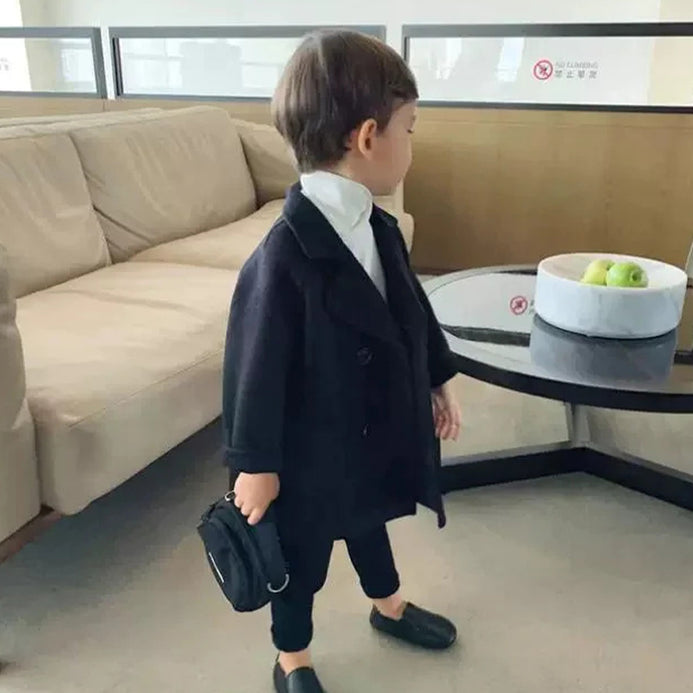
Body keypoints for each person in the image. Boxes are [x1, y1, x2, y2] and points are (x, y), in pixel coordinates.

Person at [222, 30, 462, 693]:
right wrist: (254, 465)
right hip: (308, 448)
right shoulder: (284, 254)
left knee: (369, 523)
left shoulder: (379, 226)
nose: (411, 145)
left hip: (367, 428)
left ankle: (388, 603)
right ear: (367, 138)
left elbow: (410, 307)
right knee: (301, 560)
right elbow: (253, 366)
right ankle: (292, 656)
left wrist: (437, 376)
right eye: (409, 129)